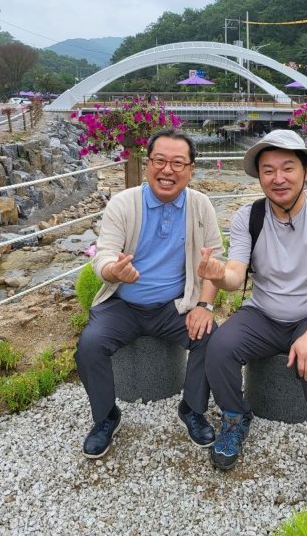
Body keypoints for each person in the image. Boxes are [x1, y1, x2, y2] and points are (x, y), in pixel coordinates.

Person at [198, 129, 307, 501]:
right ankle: (235, 417)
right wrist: (219, 275)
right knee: (218, 346)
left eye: (288, 167)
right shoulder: (248, 217)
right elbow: (237, 276)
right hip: (264, 312)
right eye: (268, 170)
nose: (278, 178)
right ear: (259, 177)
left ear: (306, 171)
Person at [76, 128, 224, 459]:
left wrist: (204, 304)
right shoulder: (123, 203)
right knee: (89, 345)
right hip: (123, 305)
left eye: (177, 163)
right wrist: (114, 270)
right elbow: (104, 254)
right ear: (147, 164)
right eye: (159, 160)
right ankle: (105, 417)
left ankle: (192, 409)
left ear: (191, 169)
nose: (167, 170)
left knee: (212, 337)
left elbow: (214, 264)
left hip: (175, 306)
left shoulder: (200, 206)